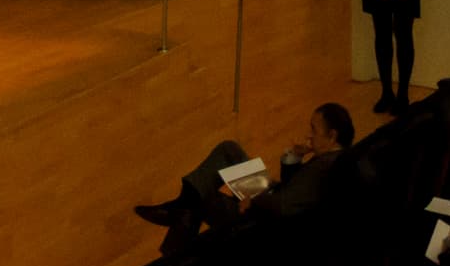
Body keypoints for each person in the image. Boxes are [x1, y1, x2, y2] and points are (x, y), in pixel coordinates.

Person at [133, 104, 356, 249]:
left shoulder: (323, 168)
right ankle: (179, 206)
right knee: (229, 149)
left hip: (264, 221)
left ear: (332, 135)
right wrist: (295, 157)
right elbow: (295, 191)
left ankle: (173, 253)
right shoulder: (335, 159)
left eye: (314, 130)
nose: (309, 135)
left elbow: (284, 205)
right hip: (273, 201)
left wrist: (254, 199)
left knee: (205, 197)